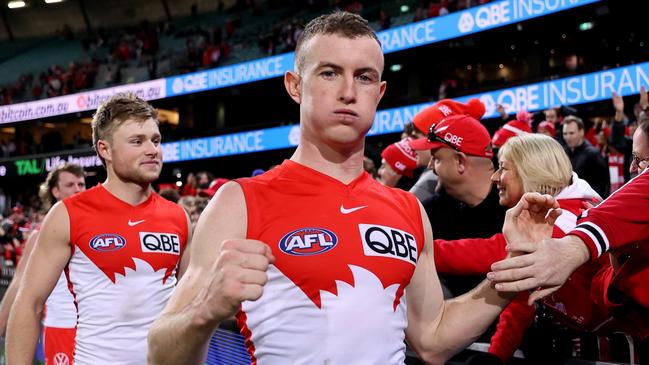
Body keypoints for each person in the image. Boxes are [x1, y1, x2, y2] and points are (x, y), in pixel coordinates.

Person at [148, 11, 549, 365]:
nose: (348, 91)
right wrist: (204, 311)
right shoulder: (239, 201)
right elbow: (160, 353)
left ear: (380, 93)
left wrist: (517, 265)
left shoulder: (408, 210)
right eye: (329, 72)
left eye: (364, 77)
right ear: (294, 85)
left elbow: (433, 340)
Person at [6, 93, 192, 365]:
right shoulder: (69, 215)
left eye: (155, 140)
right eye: (137, 141)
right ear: (105, 150)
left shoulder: (178, 217)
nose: (152, 149)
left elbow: (189, 308)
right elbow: (29, 305)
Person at [434, 134, 610, 362]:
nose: (495, 177)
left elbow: (478, 254)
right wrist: (497, 355)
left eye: (503, 168)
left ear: (530, 170)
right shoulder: (559, 207)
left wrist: (409, 245)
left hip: (611, 351)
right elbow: (521, 293)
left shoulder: (565, 219)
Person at [0, 164, 86, 365]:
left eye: (81, 184)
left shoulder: (99, 232)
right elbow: (19, 284)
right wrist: (2, 322)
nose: (77, 189)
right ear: (56, 191)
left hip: (96, 329)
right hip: (62, 327)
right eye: (70, 184)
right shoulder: (40, 237)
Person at [562, 115, 610, 197]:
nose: (568, 137)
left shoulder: (593, 154)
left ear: (581, 132)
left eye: (571, 133)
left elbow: (604, 184)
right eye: (565, 133)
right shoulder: (563, 152)